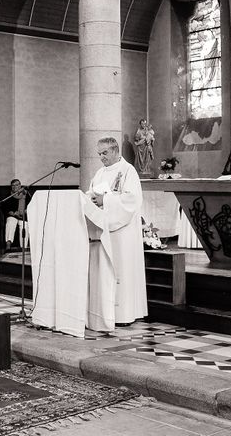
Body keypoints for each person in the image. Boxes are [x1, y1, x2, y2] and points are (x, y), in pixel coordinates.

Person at [87, 137, 147, 326]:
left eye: (104, 153)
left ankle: (124, 315)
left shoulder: (128, 171)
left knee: (122, 269)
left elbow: (132, 200)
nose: (101, 157)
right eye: (99, 154)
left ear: (115, 150)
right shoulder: (99, 173)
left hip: (123, 233)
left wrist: (106, 201)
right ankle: (105, 313)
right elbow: (91, 194)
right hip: (103, 230)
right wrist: (90, 200)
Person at [2, 179, 31, 252]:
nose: (15, 187)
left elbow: (31, 205)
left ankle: (23, 247)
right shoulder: (9, 195)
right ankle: (8, 245)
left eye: (17, 185)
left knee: (24, 225)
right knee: (10, 223)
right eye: (13, 185)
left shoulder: (26, 194)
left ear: (20, 185)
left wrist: (26, 210)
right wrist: (12, 213)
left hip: (23, 216)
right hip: (13, 215)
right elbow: (5, 207)